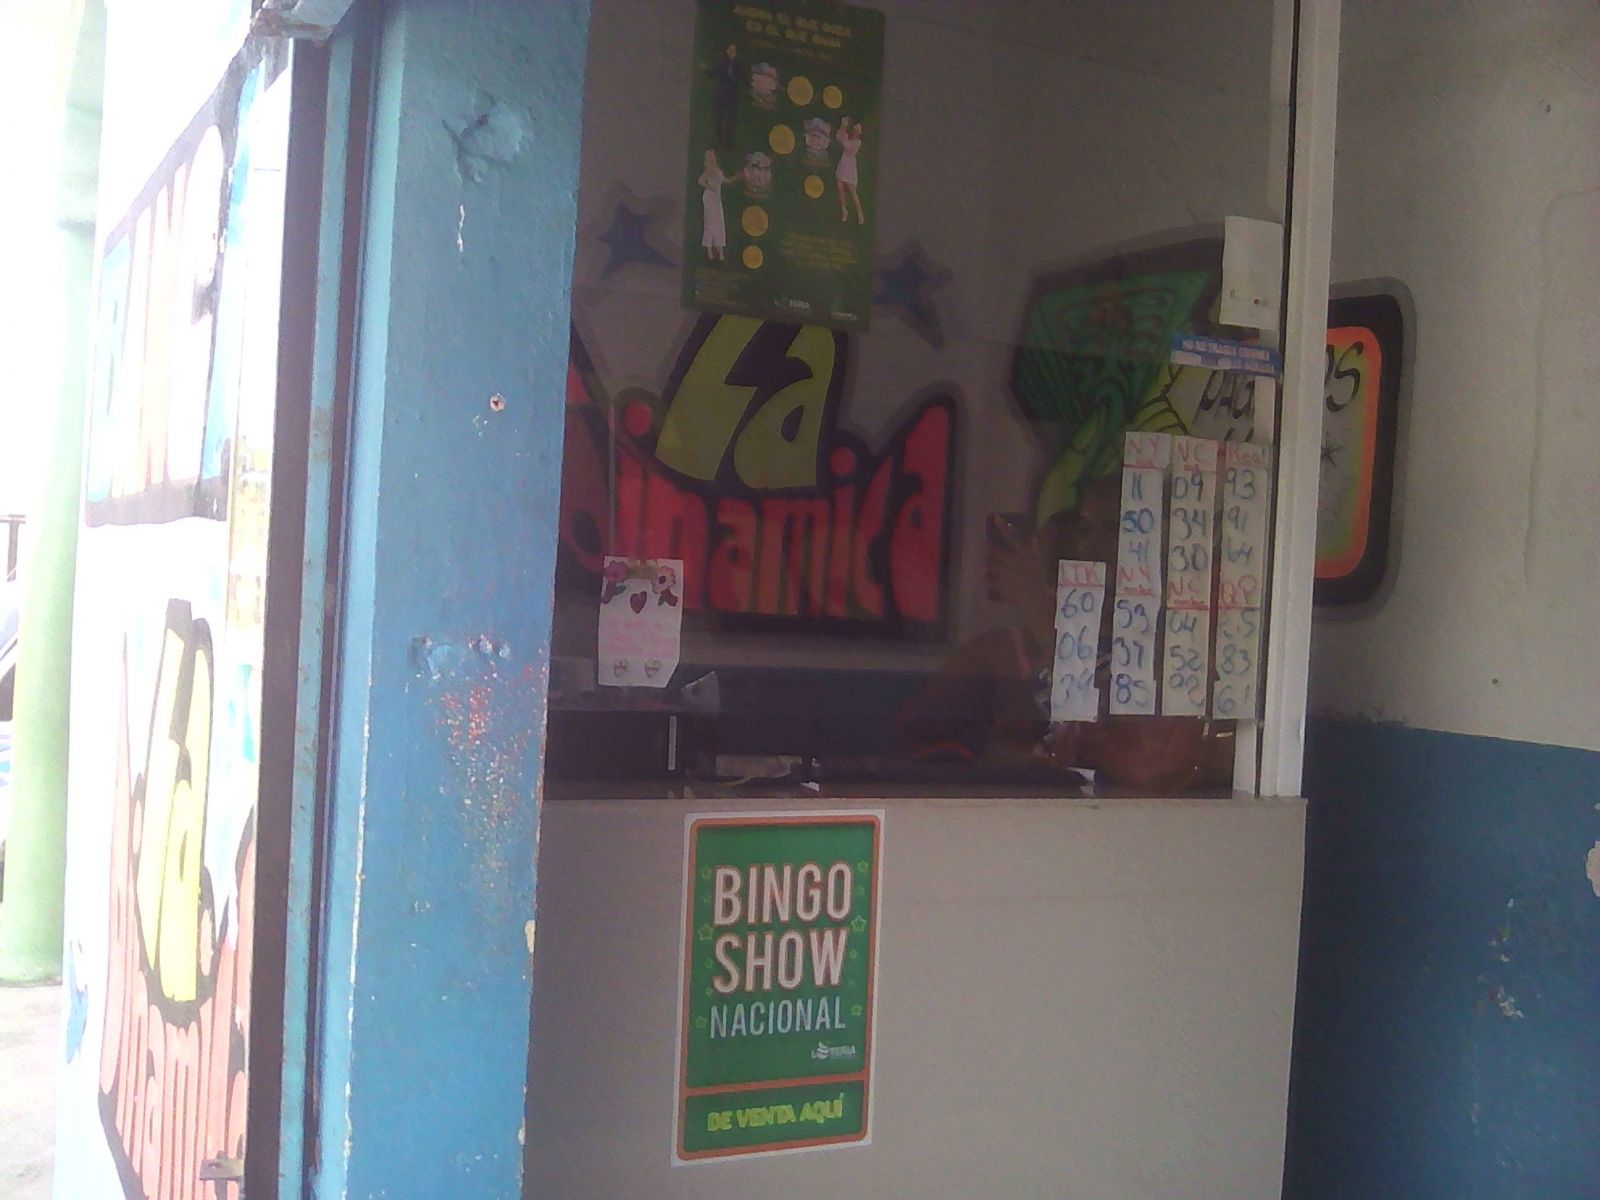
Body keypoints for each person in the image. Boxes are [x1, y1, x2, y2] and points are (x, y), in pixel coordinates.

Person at [897, 474, 1230, 791]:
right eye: (1084, 529)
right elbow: (915, 734)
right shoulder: (1004, 651)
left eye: (1116, 529)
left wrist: (1045, 621)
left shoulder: (1184, 650)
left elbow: (1150, 765)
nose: (1090, 547)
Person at [698, 149, 741, 261]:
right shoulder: (709, 170)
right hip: (710, 197)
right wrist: (710, 187)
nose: (713, 158)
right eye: (711, 156)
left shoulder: (717, 170)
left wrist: (738, 176)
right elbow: (700, 181)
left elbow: (727, 181)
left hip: (717, 198)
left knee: (719, 222)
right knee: (710, 222)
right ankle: (709, 249)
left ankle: (720, 250)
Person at [709, 43, 745, 150]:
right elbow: (714, 72)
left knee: (731, 120)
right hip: (721, 93)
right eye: (730, 50)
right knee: (719, 118)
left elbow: (743, 76)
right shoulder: (721, 61)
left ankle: (729, 143)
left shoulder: (738, 63)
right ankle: (719, 141)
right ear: (727, 51)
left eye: (734, 50)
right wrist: (706, 71)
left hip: (732, 95)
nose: (732, 52)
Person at [834, 117, 865, 224]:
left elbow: (846, 145)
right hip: (843, 164)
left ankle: (859, 212)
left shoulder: (857, 142)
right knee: (839, 187)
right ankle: (844, 210)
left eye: (858, 129)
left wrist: (844, 130)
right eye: (856, 127)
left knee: (852, 190)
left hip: (850, 167)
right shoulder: (847, 136)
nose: (857, 129)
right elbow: (839, 137)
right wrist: (843, 126)